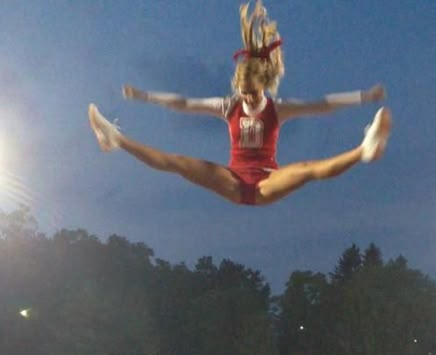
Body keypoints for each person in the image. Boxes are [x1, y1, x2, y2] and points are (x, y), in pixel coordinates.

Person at [89, 1, 391, 208]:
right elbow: (183, 103)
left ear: (264, 84)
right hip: (233, 180)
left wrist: (364, 96)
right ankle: (116, 139)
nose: (247, 98)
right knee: (178, 162)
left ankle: (363, 150)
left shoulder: (278, 108)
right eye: (243, 92)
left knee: (308, 169)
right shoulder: (228, 106)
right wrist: (144, 96)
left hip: (267, 182)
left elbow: (322, 105)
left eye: (252, 92)